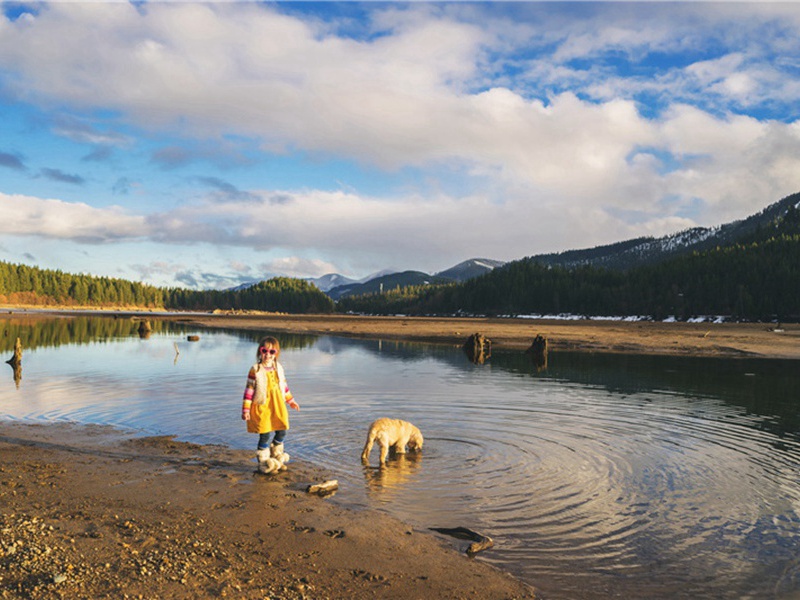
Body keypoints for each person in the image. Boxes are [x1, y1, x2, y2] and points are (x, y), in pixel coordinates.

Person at [241, 336, 300, 467]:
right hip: (262, 406)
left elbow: (284, 386)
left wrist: (291, 401)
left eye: (272, 352)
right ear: (259, 352)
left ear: (276, 354)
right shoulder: (255, 369)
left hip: (278, 405)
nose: (268, 354)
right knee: (265, 434)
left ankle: (276, 453)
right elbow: (249, 391)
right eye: (264, 351)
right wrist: (245, 410)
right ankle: (263, 460)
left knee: (282, 428)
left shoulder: (278, 367)